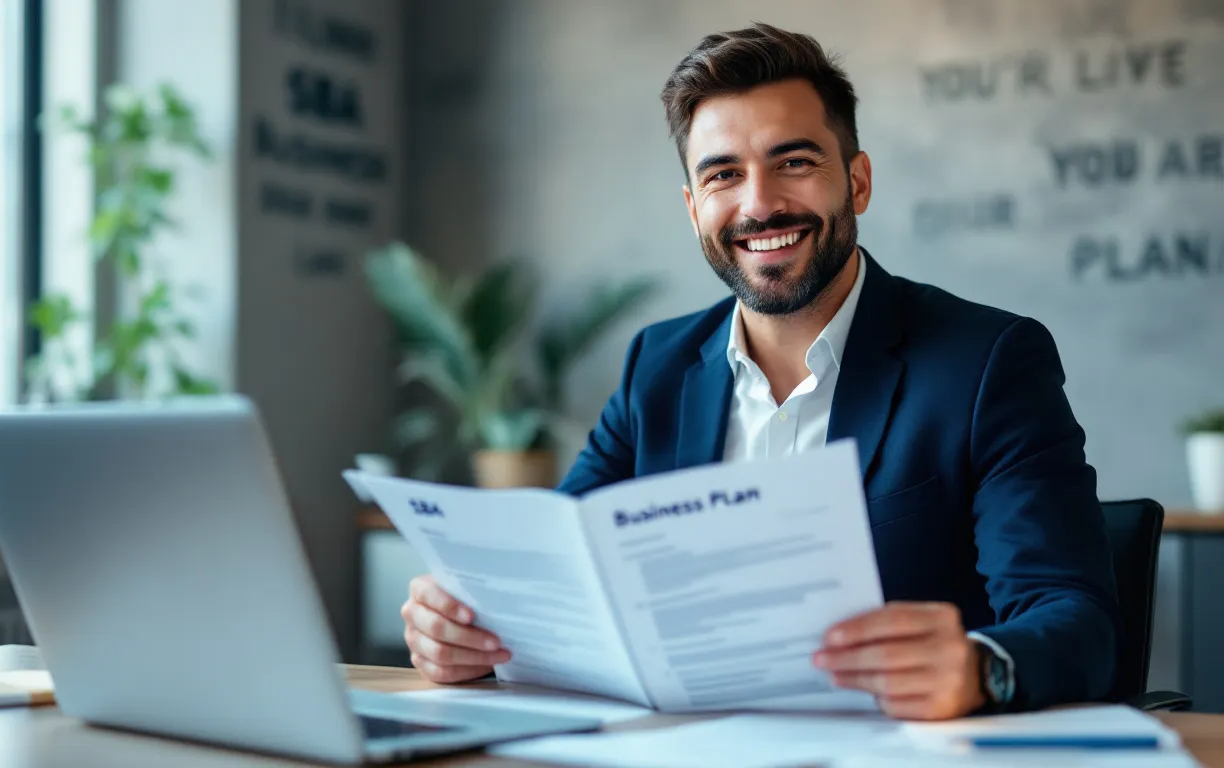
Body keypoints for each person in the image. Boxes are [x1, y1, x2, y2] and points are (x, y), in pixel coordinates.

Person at [400, 22, 1119, 721]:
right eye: (723, 175)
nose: (760, 203)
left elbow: (1075, 618)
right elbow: (552, 577)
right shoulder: (658, 366)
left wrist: (978, 666)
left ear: (858, 182)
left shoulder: (988, 361)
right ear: (693, 209)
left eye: (795, 162)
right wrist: (467, 626)